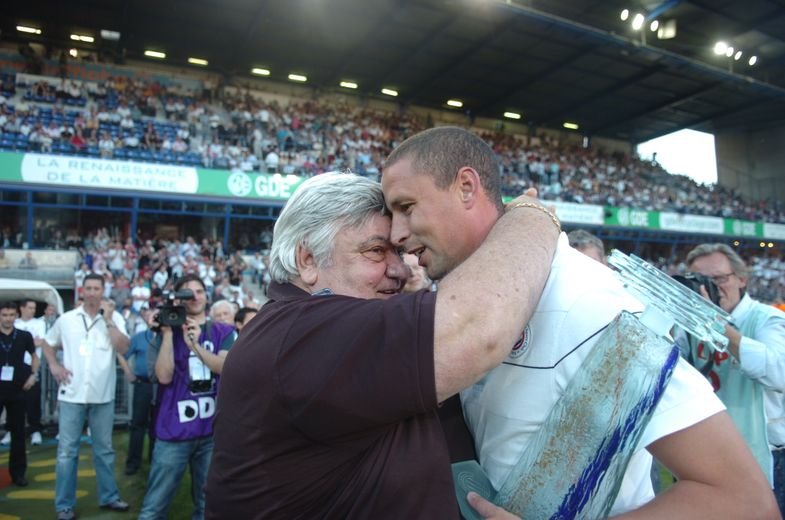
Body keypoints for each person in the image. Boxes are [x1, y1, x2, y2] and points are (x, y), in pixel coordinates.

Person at [381, 126, 777, 518]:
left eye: (407, 207)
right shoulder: (473, 301)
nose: (396, 234)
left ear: (466, 187)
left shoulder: (585, 302)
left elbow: (742, 499)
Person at [205, 172, 559, 518]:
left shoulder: (297, 328)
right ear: (308, 260)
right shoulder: (304, 332)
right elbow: (478, 327)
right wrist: (531, 216)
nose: (400, 271)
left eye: (398, 251)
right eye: (376, 251)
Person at [684, 243, 785, 512]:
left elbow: (779, 373)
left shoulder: (767, 319)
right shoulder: (691, 326)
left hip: (767, 457)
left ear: (742, 279)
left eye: (718, 279)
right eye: (701, 281)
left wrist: (718, 326)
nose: (712, 288)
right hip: (712, 458)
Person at [138, 274, 235, 520]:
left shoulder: (223, 330)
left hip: (211, 432)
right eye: (188, 292)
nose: (195, 296)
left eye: (199, 291)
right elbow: (164, 377)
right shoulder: (165, 331)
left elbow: (224, 367)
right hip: (173, 431)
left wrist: (194, 345)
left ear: (206, 295)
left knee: (207, 505)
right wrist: (169, 333)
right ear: (179, 300)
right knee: (155, 506)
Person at [43, 273, 131, 520]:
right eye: (88, 288)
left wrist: (110, 320)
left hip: (103, 395)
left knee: (104, 450)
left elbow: (124, 347)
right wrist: (53, 366)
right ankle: (64, 505)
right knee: (66, 452)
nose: (92, 292)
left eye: (97, 288)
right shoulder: (67, 319)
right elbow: (48, 344)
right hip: (72, 393)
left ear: (103, 291)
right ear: (82, 291)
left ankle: (109, 496)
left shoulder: (114, 318)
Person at [0, 301, 38, 487]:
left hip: (18, 390)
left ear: (16, 315)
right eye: (4, 315)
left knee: (18, 434)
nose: (8, 318)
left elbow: (35, 356)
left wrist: (33, 375)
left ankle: (18, 474)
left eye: (11, 315)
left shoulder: (24, 335)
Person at [122, 307, 156, 476]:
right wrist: (128, 372)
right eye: (151, 316)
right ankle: (133, 463)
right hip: (143, 385)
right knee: (138, 425)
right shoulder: (138, 338)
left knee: (157, 426)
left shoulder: (170, 338)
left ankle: (154, 462)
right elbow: (122, 354)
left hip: (163, 387)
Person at [13, 299, 45, 446]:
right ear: (22, 308)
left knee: (33, 400)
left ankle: (35, 430)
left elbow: (41, 341)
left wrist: (21, 342)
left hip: (32, 365)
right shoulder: (14, 322)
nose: (32, 310)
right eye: (30, 308)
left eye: (34, 308)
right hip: (14, 366)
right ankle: (11, 430)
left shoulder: (39, 323)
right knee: (13, 401)